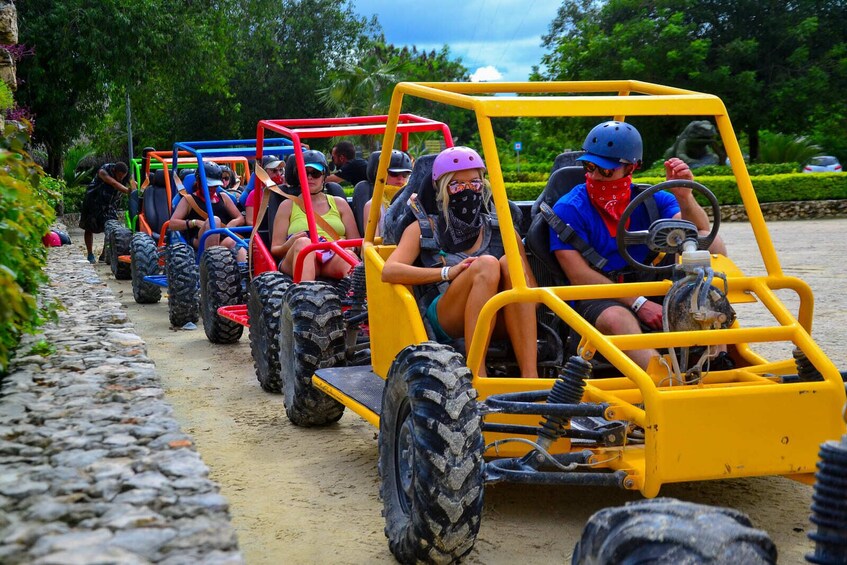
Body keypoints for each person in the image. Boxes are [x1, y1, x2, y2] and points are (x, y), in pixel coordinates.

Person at [550, 120, 727, 369]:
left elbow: (699, 232)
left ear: (632, 167)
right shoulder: (570, 207)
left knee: (712, 243)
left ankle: (719, 359)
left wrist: (684, 197)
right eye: (589, 167)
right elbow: (578, 275)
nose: (594, 176)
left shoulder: (654, 200)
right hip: (598, 294)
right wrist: (639, 303)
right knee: (617, 318)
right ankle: (664, 382)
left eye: (606, 170)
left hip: (652, 280)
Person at [382, 146, 539, 378]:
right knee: (487, 264)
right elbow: (389, 271)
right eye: (457, 185)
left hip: (499, 316)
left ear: (483, 184)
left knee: (508, 263)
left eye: (474, 184)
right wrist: (447, 272)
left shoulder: (502, 229)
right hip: (446, 314)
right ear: (442, 188)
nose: (467, 191)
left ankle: (531, 378)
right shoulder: (425, 228)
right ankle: (478, 375)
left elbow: (532, 294)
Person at [270, 150, 360, 281]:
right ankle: (305, 296)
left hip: (332, 256)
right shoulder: (287, 206)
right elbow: (275, 249)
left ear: (324, 176)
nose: (309, 177)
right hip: (298, 256)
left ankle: (357, 298)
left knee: (349, 255)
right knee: (303, 243)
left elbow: (356, 243)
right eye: (304, 173)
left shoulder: (339, 204)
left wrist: (347, 246)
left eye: (315, 173)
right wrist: (289, 243)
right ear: (298, 176)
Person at [169, 161, 246, 260]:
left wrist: (233, 223)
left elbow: (240, 218)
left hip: (222, 236)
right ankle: (211, 263)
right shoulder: (188, 200)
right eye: (209, 185)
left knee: (234, 242)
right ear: (199, 181)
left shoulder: (223, 197)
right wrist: (194, 222)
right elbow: (172, 223)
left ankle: (246, 272)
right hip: (199, 239)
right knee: (215, 220)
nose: (212, 188)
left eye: (215, 186)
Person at [79, 161, 135, 263]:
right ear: (114, 171)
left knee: (112, 229)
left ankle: (105, 254)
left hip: (109, 204)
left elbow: (133, 184)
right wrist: (127, 191)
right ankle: (90, 254)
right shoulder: (103, 171)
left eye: (123, 176)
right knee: (89, 228)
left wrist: (135, 188)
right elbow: (114, 183)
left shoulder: (125, 175)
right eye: (119, 176)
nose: (121, 179)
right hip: (93, 202)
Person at [361, 149, 413, 237]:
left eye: (405, 174)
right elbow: (373, 244)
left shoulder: (414, 200)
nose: (400, 178)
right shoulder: (373, 205)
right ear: (381, 174)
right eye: (394, 173)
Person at [245, 157, 284, 226]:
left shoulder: (285, 192)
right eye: (274, 171)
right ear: (263, 173)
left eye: (280, 170)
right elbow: (249, 221)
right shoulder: (255, 194)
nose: (278, 174)